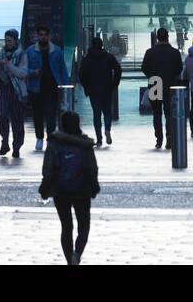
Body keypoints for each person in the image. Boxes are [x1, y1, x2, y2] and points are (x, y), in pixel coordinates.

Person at [40, 111, 100, 265]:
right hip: (82, 191)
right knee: (84, 226)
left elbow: (48, 169)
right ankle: (77, 254)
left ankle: (69, 260)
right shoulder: (85, 144)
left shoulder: (54, 143)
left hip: (61, 191)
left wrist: (45, 187)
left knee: (66, 227)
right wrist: (94, 186)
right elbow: (92, 168)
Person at [141, 27, 184, 149]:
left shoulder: (150, 52)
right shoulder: (175, 52)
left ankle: (159, 139)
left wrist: (151, 75)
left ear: (157, 38)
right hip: (170, 84)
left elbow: (144, 68)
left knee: (156, 113)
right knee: (169, 112)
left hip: (155, 83)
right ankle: (169, 136)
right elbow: (179, 68)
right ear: (168, 37)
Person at [26, 25, 69, 151]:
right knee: (37, 115)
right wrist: (33, 72)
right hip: (35, 88)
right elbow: (24, 69)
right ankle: (39, 137)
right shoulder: (30, 51)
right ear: (37, 36)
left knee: (51, 115)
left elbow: (63, 70)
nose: (43, 37)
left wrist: (65, 88)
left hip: (52, 87)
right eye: (40, 34)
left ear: (49, 36)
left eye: (45, 34)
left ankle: (50, 138)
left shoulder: (56, 51)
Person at [79, 35, 122, 146]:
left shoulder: (87, 59)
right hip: (107, 89)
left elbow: (81, 75)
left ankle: (99, 139)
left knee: (96, 114)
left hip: (93, 91)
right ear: (102, 45)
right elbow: (118, 69)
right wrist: (114, 84)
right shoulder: (108, 57)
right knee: (107, 112)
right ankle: (107, 129)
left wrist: (86, 87)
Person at [0, 29, 29, 157]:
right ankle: (5, 142)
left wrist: (9, 66)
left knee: (17, 119)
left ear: (16, 40)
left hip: (17, 90)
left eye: (10, 41)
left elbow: (23, 73)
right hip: (3, 87)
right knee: (2, 116)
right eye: (6, 40)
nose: (7, 43)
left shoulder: (22, 54)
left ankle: (17, 146)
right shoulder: (1, 53)